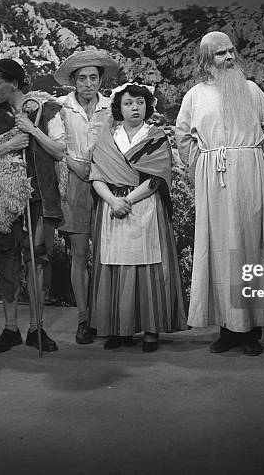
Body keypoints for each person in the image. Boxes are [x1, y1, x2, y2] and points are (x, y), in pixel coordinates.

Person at [175, 31, 264, 356]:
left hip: (250, 176)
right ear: (207, 60)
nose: (230, 58)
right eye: (221, 54)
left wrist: (261, 165)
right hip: (215, 180)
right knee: (220, 250)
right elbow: (183, 136)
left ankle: (252, 331)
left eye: (231, 51)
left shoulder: (250, 89)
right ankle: (226, 328)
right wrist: (203, 166)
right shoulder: (195, 95)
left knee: (251, 249)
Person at [0, 58, 66, 354]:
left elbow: (61, 150)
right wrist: (10, 145)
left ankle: (37, 327)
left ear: (14, 83)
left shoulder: (45, 109)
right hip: (2, 199)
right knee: (6, 260)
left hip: (39, 196)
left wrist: (33, 130)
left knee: (38, 258)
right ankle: (10, 328)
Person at [90, 82, 186, 351]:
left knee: (149, 268)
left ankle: (151, 330)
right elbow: (96, 176)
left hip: (144, 204)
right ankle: (119, 329)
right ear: (119, 108)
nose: (135, 108)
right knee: (115, 267)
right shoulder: (107, 138)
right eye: (129, 103)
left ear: (148, 106)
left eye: (140, 102)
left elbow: (157, 178)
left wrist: (128, 200)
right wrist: (112, 200)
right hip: (112, 206)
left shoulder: (155, 136)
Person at [53, 50, 119, 345]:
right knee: (79, 254)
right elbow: (57, 146)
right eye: (82, 78)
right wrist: (74, 165)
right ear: (73, 81)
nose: (88, 83)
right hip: (75, 184)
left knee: (108, 254)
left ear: (100, 80)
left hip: (107, 182)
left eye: (93, 77)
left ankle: (109, 317)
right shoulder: (61, 108)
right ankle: (83, 317)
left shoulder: (112, 107)